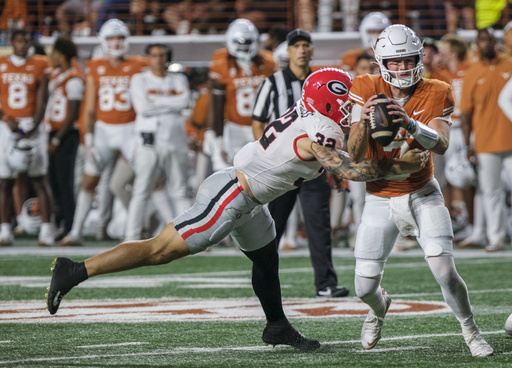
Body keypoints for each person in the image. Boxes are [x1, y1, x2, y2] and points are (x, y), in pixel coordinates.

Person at [47, 67, 429, 351]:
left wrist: (366, 129)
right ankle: (75, 271)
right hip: (233, 194)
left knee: (266, 260)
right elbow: (350, 169)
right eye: (346, 102)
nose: (351, 108)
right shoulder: (322, 130)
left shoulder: (312, 114)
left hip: (250, 196)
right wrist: (407, 165)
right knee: (159, 250)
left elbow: (348, 156)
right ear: (329, 102)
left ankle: (276, 326)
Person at [346, 24, 493, 357]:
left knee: (445, 271)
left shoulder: (437, 89)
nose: (402, 67)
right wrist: (364, 120)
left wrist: (410, 124)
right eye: (394, 62)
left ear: (419, 57)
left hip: (422, 190)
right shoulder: (366, 85)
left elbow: (441, 144)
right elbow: (353, 154)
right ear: (382, 62)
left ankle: (471, 330)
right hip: (379, 196)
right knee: (364, 286)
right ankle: (379, 308)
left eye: (408, 59)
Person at [252, 29, 349, 298]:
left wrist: (334, 167)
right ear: (289, 50)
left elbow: (336, 126)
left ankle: (326, 284)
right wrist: (267, 155)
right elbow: (258, 120)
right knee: (272, 228)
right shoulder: (273, 82)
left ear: (312, 49)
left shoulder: (324, 81)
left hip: (315, 164)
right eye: (297, 45)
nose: (302, 49)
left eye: (306, 45)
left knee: (318, 224)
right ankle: (262, 282)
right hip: (284, 163)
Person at [57, 19, 146, 246]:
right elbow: (89, 107)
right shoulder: (95, 66)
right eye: (111, 38)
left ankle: (159, 228)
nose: (116, 43)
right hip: (104, 131)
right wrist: (88, 139)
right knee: (88, 182)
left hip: (130, 130)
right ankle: (76, 232)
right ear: (103, 41)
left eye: (120, 38)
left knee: (151, 180)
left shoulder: (138, 64)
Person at [125, 43, 191, 240]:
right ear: (147, 58)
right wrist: (172, 104)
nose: (159, 59)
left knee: (180, 190)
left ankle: (188, 236)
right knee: (141, 189)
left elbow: (185, 101)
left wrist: (156, 103)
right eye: (154, 55)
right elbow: (143, 108)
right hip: (148, 141)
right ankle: (131, 236)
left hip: (175, 140)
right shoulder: (139, 79)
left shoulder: (179, 79)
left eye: (162, 55)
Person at [0, 29, 54, 246]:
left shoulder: (40, 63)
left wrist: (32, 128)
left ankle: (47, 231)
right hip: (6, 126)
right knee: (4, 180)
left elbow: (43, 101)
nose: (24, 45)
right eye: (20, 40)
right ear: (11, 41)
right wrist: (5, 117)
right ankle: (4, 230)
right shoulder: (2, 63)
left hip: (33, 125)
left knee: (40, 178)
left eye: (27, 41)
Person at [460, 27, 512, 252]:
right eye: (482, 40)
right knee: (490, 191)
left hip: (510, 140)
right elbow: (465, 113)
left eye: (490, 39)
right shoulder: (472, 72)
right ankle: (496, 238)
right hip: (484, 141)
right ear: (477, 44)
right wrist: (468, 144)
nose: (487, 44)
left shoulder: (509, 64)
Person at [202, 18, 275, 172]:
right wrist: (211, 131)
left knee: (265, 173)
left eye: (247, 41)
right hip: (234, 128)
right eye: (239, 42)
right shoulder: (221, 62)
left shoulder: (268, 62)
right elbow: (216, 100)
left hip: (263, 126)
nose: (243, 46)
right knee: (228, 173)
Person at [45, 37, 83, 241]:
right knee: (54, 181)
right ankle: (61, 223)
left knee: (63, 181)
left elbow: (73, 114)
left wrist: (57, 139)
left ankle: (69, 225)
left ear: (61, 55)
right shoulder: (58, 75)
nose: (50, 57)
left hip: (65, 135)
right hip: (54, 131)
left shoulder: (74, 79)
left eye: (53, 53)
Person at [340, 12, 391, 77]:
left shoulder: (391, 58)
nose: (376, 35)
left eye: (380, 31)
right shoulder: (351, 57)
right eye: (372, 31)